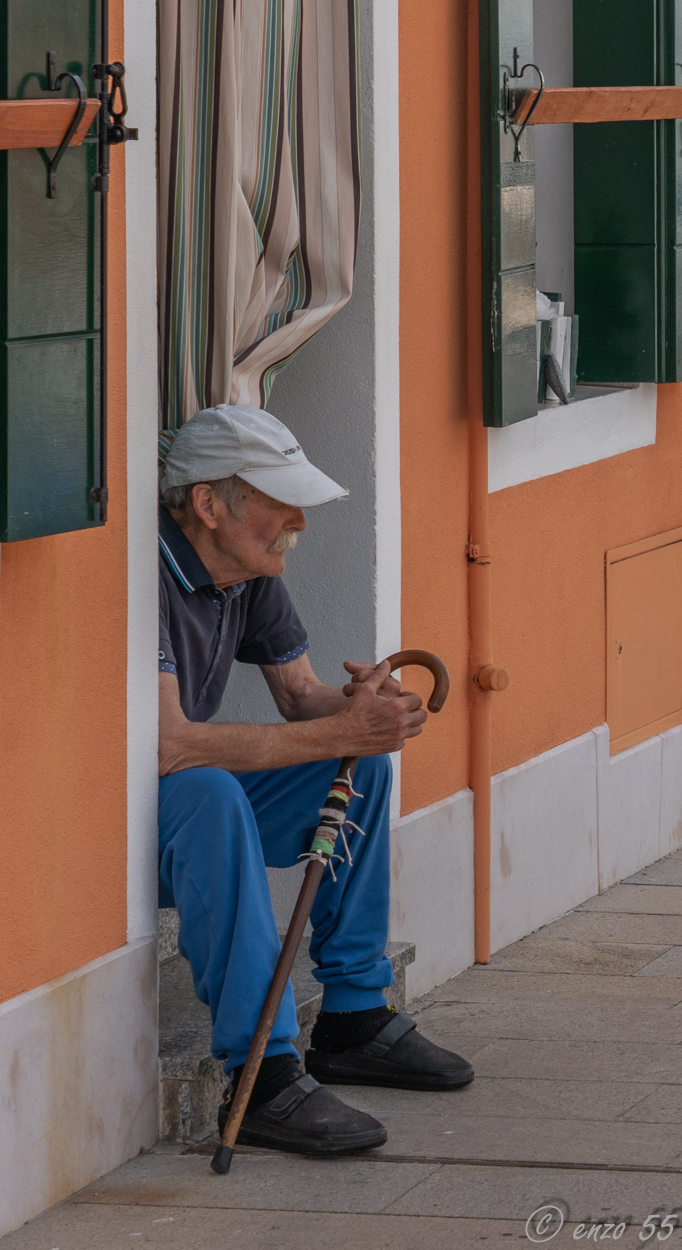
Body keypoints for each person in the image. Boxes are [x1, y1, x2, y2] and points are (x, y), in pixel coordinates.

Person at [157, 404, 473, 1158]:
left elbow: (300, 698)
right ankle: (260, 1070)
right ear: (208, 503)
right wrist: (337, 727)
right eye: (278, 499)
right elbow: (168, 747)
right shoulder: (146, 573)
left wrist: (364, 708)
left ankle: (355, 1015)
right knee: (210, 793)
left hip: (181, 795)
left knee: (356, 766)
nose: (297, 518)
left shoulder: (245, 567)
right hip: (115, 821)